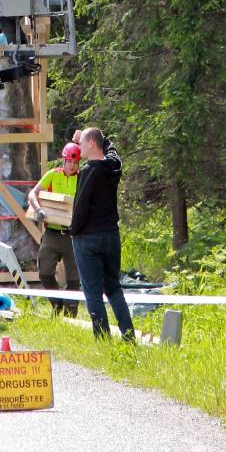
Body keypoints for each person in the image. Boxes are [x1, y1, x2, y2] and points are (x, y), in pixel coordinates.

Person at [69, 126, 133, 340]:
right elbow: (113, 152)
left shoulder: (90, 170)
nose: (78, 147)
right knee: (114, 287)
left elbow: (81, 206)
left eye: (82, 143)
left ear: (91, 144)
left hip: (88, 238)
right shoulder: (114, 166)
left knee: (93, 293)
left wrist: (73, 231)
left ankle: (103, 338)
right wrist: (103, 139)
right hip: (111, 236)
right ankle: (129, 335)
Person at [27, 141, 82, 313]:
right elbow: (32, 194)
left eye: (75, 162)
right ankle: (57, 303)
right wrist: (38, 209)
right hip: (52, 232)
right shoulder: (53, 175)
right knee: (44, 272)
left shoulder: (82, 178)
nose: (72, 165)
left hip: (73, 235)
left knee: (74, 278)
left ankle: (70, 313)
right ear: (63, 160)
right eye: (69, 161)